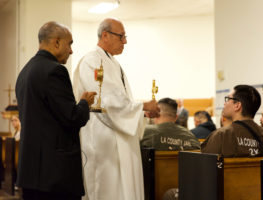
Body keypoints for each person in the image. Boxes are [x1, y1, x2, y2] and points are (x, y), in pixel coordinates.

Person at [72, 18, 159, 200]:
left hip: (120, 137)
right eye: (121, 36)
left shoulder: (113, 63)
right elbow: (106, 101)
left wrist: (141, 111)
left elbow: (121, 101)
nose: (125, 41)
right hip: (103, 141)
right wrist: (141, 105)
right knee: (107, 190)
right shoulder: (92, 61)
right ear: (105, 35)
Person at [15, 21, 96, 200]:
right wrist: (84, 103)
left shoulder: (25, 72)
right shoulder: (55, 71)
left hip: (31, 173)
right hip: (55, 176)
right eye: (70, 43)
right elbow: (72, 118)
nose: (71, 50)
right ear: (57, 42)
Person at [201, 85, 263, 157]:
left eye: (228, 99)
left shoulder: (221, 135)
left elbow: (205, 167)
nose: (224, 103)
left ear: (237, 106)